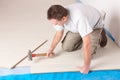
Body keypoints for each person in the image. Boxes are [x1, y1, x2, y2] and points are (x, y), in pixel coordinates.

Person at [46, 3, 107, 74]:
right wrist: (51, 48)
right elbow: (59, 33)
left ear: (64, 18)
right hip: (78, 27)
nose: (54, 25)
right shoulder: (58, 15)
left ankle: (100, 34)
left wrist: (86, 66)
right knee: (66, 47)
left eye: (56, 23)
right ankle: (84, 34)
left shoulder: (79, 17)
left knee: (84, 55)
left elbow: (87, 44)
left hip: (94, 26)